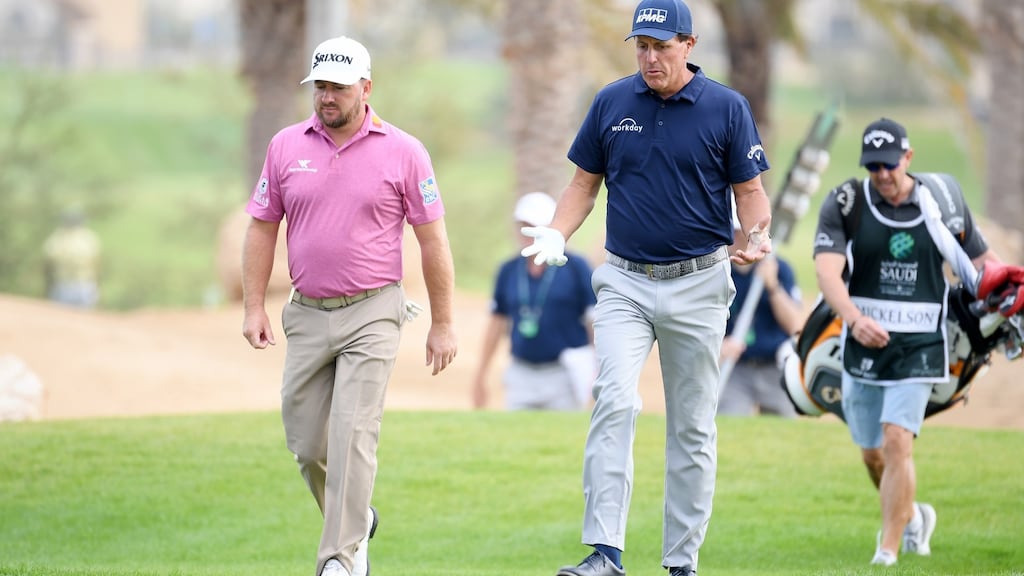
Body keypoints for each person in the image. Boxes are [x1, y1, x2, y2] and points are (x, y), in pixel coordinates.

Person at [520, 0, 774, 573]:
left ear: (689, 44)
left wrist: (756, 235)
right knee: (612, 400)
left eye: (662, 46)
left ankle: (681, 562)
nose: (650, 57)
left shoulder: (727, 109)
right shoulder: (612, 101)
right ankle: (605, 553)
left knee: (691, 424)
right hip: (625, 283)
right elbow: (584, 184)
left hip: (699, 284)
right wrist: (558, 233)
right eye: (641, 46)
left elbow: (751, 192)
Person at [240, 36, 457, 576]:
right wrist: (252, 306)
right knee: (307, 441)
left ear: (366, 87)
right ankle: (358, 518)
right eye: (320, 87)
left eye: (338, 87)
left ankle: (340, 558)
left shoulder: (405, 151)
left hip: (374, 310)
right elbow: (262, 227)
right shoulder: (286, 146)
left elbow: (433, 241)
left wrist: (443, 323)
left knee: (354, 432)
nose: (327, 97)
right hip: (307, 312)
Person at [813, 117, 1000, 566]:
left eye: (889, 165)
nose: (881, 175)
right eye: (873, 166)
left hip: (920, 346)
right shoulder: (847, 201)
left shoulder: (944, 203)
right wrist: (854, 320)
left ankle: (889, 550)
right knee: (873, 454)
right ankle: (913, 516)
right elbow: (826, 270)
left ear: (908, 158)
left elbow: (984, 263)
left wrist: (1008, 293)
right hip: (863, 344)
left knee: (898, 440)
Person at [472, 192, 597, 411]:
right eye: (524, 226)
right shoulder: (509, 270)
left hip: (566, 372)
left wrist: (599, 370)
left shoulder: (576, 267)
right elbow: (496, 322)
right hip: (521, 372)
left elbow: (593, 321)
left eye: (534, 225)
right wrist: (481, 373)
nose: (528, 233)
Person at [718, 252, 803, 417]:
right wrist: (718, 345)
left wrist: (773, 286)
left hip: (776, 367)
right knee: (727, 423)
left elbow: (795, 325)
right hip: (734, 367)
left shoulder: (780, 268)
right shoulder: (718, 271)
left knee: (784, 431)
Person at [42, 207, 101, 308]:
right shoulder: (89, 239)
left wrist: (47, 287)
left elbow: (47, 266)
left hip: (62, 286)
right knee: (85, 320)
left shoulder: (56, 239)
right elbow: (97, 265)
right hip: (84, 285)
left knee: (61, 319)